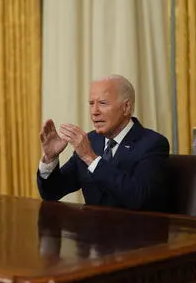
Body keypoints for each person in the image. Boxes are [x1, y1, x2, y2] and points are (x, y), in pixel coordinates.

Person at [36, 74, 171, 212]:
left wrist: (91, 158)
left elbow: (139, 199)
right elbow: (51, 193)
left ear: (126, 107)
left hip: (133, 231)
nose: (94, 112)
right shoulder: (91, 141)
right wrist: (50, 159)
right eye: (91, 103)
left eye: (102, 103)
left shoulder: (152, 144)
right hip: (92, 231)